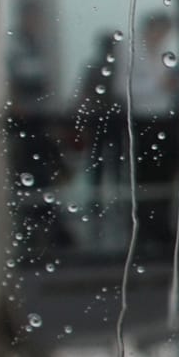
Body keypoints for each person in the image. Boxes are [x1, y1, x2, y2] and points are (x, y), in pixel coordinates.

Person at [6, 0, 72, 249]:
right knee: (31, 172)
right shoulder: (15, 46)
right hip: (24, 122)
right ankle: (39, 224)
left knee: (41, 172)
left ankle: (46, 223)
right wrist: (15, 104)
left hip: (38, 119)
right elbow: (11, 78)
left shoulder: (35, 47)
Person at [120, 12, 179, 244]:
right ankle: (143, 229)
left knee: (164, 176)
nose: (164, 37)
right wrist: (160, 85)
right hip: (142, 122)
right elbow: (123, 88)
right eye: (162, 32)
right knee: (145, 178)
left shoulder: (161, 54)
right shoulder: (132, 52)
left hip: (163, 120)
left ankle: (162, 227)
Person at [74, 31, 127, 221]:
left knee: (105, 163)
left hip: (107, 120)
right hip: (105, 119)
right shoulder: (110, 69)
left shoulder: (99, 68)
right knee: (107, 163)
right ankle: (107, 203)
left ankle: (101, 203)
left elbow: (84, 94)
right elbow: (85, 94)